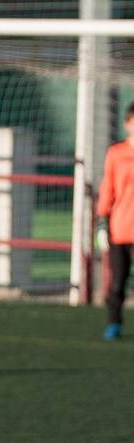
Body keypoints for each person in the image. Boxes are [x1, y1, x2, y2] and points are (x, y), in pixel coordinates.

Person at [97, 101, 134, 341]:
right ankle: (114, 323)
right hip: (121, 228)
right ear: (127, 123)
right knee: (118, 280)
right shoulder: (117, 153)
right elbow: (107, 188)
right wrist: (102, 221)